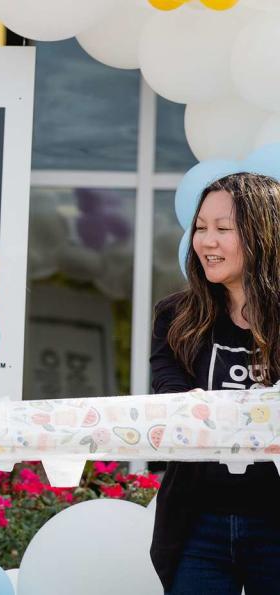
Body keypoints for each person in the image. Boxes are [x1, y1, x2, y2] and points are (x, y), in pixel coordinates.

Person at [150, 172, 280, 595]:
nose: (206, 242)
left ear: (264, 233)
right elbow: (170, 396)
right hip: (197, 523)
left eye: (224, 229)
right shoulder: (175, 318)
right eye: (201, 228)